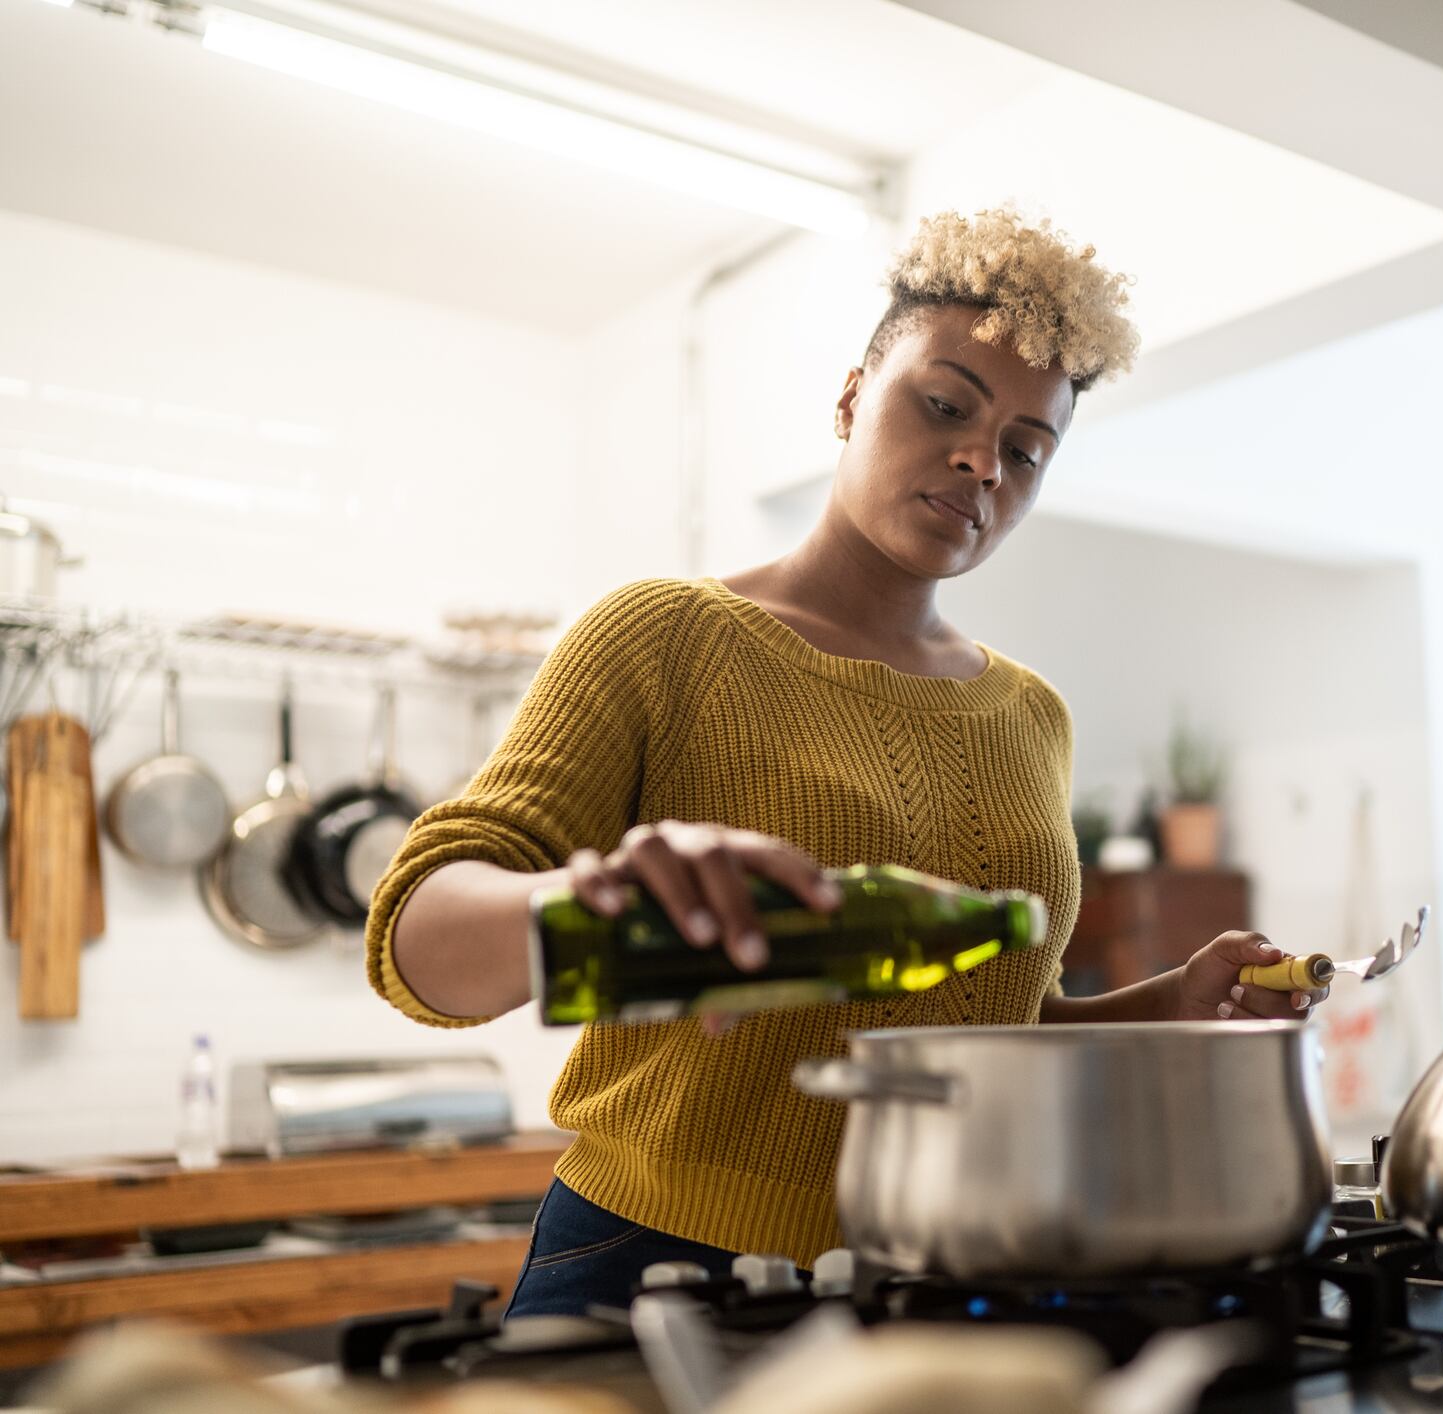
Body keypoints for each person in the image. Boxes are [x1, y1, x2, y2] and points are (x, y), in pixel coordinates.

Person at [365, 208, 1330, 1318]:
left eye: (1025, 449)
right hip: (663, 1267)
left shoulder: (1032, 714)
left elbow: (977, 1028)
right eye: (944, 404)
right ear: (847, 398)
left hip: (958, 1263)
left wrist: (1161, 1008)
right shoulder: (663, 635)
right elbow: (415, 935)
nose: (981, 460)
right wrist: (588, 903)